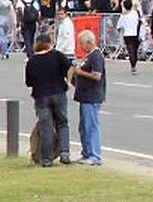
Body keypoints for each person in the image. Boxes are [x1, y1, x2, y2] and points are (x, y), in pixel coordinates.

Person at [24, 33, 72, 166]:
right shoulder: (56, 55)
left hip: (41, 95)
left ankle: (47, 159)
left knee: (46, 127)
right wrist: (68, 81)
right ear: (49, 43)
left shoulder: (32, 61)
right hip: (58, 92)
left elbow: (29, 82)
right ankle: (64, 152)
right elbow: (70, 66)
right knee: (62, 123)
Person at [71, 29, 106, 166]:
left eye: (82, 44)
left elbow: (97, 76)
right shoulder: (88, 57)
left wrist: (80, 72)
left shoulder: (96, 56)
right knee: (84, 126)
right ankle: (86, 152)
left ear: (89, 42)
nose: (80, 47)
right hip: (84, 96)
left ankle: (94, 155)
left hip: (92, 96)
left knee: (91, 126)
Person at [116, 0, 141, 74]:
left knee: (131, 50)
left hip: (127, 34)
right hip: (135, 34)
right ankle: (134, 64)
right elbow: (139, 21)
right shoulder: (135, 13)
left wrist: (120, 31)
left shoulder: (123, 16)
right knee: (135, 50)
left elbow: (118, 26)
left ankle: (133, 66)